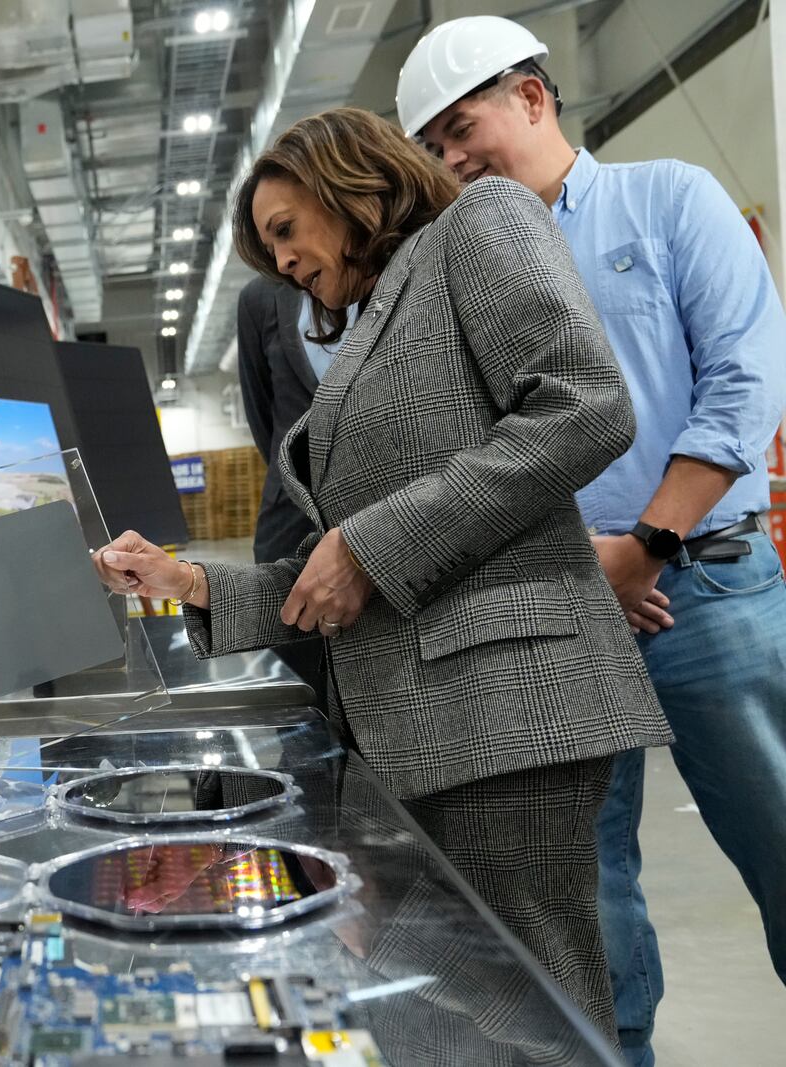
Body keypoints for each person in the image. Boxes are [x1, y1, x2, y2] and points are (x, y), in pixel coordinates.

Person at [93, 107, 671, 1040]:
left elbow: (585, 404)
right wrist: (188, 580)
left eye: (285, 231)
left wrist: (370, 545)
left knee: (534, 1017)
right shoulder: (378, 317)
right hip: (427, 723)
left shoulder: (478, 225)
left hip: (505, 709)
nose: (281, 265)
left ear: (350, 182)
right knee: (465, 1020)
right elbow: (330, 574)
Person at [398, 17, 786, 1062]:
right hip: (557, 609)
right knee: (582, 887)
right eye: (433, 146)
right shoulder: (457, 278)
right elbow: (475, 450)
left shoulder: (668, 200)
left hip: (706, 586)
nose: (452, 158)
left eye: (461, 125)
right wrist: (576, 564)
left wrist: (645, 544)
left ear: (531, 96)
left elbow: (745, 381)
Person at [236, 275, 351, 695]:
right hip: (289, 525)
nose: (283, 257)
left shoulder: (395, 274)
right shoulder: (260, 300)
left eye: (285, 229)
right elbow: (263, 417)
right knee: (300, 696)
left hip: (382, 516)